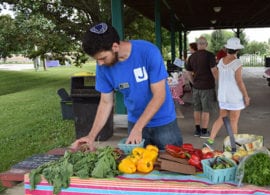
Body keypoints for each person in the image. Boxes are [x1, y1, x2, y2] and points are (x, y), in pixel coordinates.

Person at [72, 22, 183, 151]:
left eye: (102, 58)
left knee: (173, 164)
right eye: (97, 60)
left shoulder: (148, 51)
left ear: (115, 46)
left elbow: (159, 95)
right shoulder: (103, 67)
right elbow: (105, 102)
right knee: (136, 167)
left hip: (164, 122)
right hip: (134, 121)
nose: (100, 64)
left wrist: (138, 127)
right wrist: (91, 136)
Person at [204, 37, 250, 147]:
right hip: (234, 95)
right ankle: (234, 144)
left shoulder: (221, 61)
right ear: (237, 50)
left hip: (223, 94)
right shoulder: (237, 62)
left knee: (222, 118)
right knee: (234, 121)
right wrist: (246, 96)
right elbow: (239, 81)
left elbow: (217, 75)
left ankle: (210, 140)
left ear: (227, 49)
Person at [185, 36, 217, 138]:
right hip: (207, 87)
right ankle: (204, 131)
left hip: (196, 87)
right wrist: (219, 81)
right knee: (206, 109)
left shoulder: (192, 57)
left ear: (198, 45)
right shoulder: (210, 55)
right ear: (206, 45)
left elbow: (188, 73)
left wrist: (193, 82)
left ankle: (197, 130)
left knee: (197, 109)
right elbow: (214, 71)